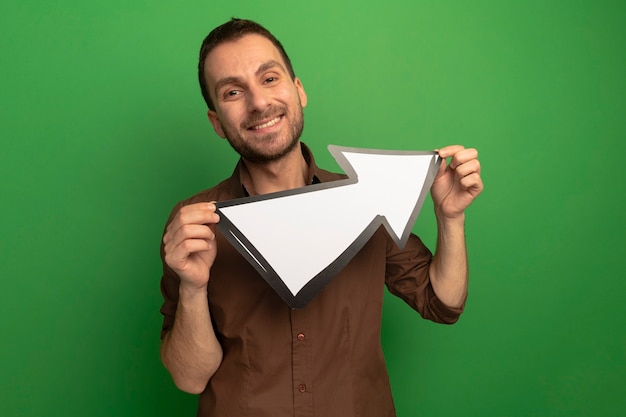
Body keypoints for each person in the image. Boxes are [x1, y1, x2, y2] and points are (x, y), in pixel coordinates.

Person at [159, 18, 483, 417]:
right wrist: (192, 288)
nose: (258, 103)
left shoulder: (367, 199)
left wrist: (450, 218)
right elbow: (189, 379)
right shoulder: (196, 226)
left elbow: (441, 304)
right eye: (232, 91)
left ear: (298, 91)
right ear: (216, 123)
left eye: (270, 78)